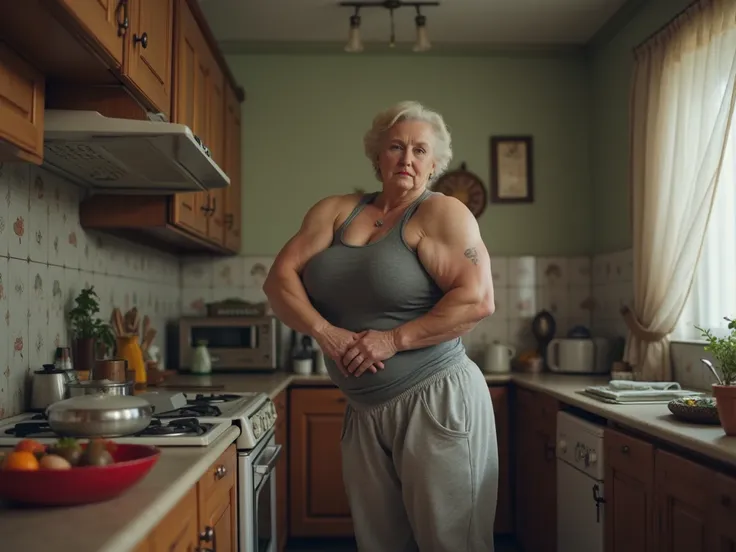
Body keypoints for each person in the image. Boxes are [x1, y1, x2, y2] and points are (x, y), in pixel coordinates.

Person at [264, 100, 498, 552]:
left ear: (434, 164)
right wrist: (325, 332)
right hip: (364, 410)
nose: (407, 158)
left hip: (436, 400)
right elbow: (278, 281)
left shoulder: (442, 213)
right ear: (377, 157)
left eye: (419, 150)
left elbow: (477, 300)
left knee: (452, 545)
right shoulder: (335, 211)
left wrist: (392, 340)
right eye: (396, 147)